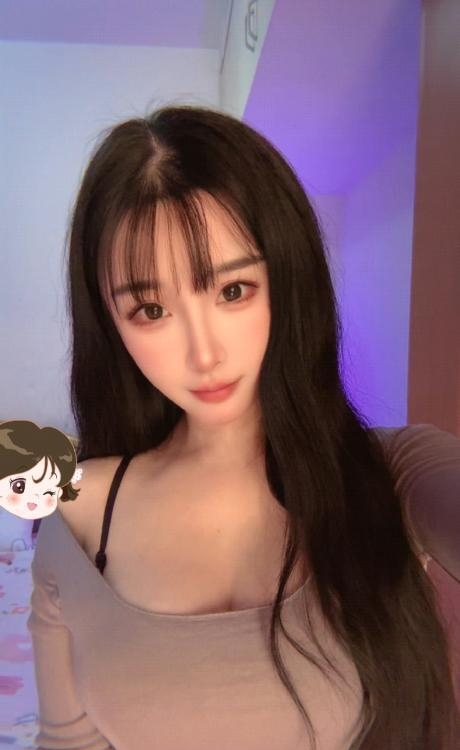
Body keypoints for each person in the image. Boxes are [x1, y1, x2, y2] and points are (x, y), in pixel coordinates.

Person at [27, 105, 460, 750]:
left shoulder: (391, 476)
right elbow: (68, 742)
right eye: (151, 309)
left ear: (286, 279)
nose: (204, 354)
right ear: (110, 325)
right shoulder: (79, 514)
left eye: (232, 291)